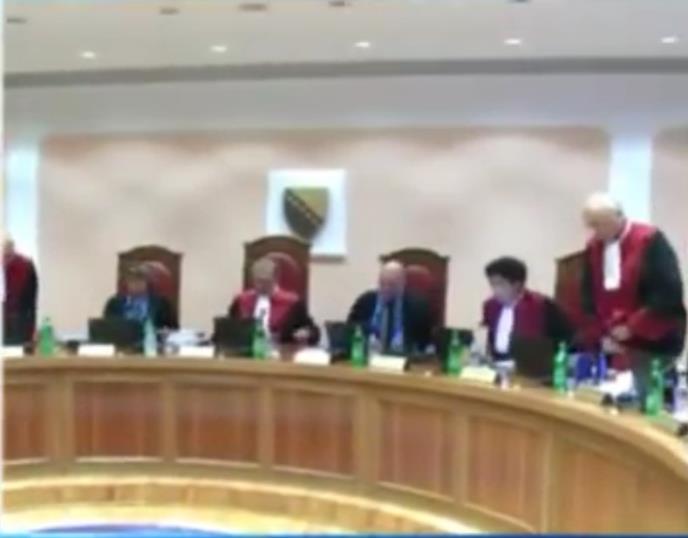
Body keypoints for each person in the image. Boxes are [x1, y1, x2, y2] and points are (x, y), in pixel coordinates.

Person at [579, 192, 686, 402]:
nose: (595, 231)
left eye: (599, 224)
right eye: (591, 225)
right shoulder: (594, 246)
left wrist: (632, 327)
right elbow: (588, 291)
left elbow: (669, 291)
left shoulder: (649, 240)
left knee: (649, 402)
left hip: (653, 339)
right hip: (615, 339)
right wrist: (602, 332)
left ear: (618, 217)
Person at [482, 256, 572, 359]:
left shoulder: (543, 305)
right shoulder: (491, 306)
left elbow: (565, 339)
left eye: (500, 284)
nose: (495, 290)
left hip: (533, 365)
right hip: (497, 363)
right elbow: (490, 337)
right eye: (492, 284)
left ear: (517, 284)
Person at [228, 257, 319, 345]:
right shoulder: (241, 301)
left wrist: (306, 333)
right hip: (246, 352)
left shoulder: (293, 304)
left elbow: (313, 332)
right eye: (257, 281)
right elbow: (227, 330)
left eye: (265, 282)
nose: (260, 286)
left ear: (276, 279)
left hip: (282, 352)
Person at [348, 260, 432, 354]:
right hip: (369, 356)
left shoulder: (418, 306)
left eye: (392, 285)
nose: (386, 289)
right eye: (382, 284)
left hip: (404, 358)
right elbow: (350, 330)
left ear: (402, 283)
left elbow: (425, 343)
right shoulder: (365, 301)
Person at [104, 265, 178, 330]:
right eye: (132, 281)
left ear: (147, 282)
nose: (136, 284)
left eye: (140, 280)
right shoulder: (114, 303)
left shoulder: (162, 304)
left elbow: (173, 329)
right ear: (126, 283)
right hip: (122, 340)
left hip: (153, 340)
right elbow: (107, 328)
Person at [3, 238, 38, 345]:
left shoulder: (26, 265)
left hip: (19, 318)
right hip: (13, 316)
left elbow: (32, 297)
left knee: (18, 347)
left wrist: (33, 327)